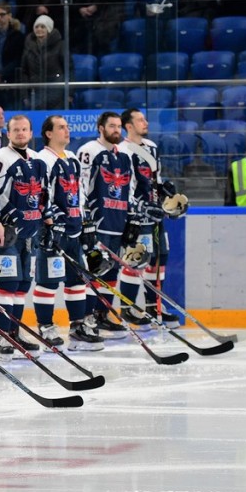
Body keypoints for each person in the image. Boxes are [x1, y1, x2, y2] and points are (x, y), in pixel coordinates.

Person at [31, 115, 105, 350]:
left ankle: (78, 326)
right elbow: (40, 195)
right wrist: (51, 223)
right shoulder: (42, 159)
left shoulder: (72, 159)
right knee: (48, 281)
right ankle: (46, 326)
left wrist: (85, 222)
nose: (67, 131)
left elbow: (79, 193)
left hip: (73, 230)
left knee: (77, 281)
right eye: (61, 127)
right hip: (54, 231)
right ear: (49, 133)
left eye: (67, 127)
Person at [0, 113, 45, 359]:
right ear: (8, 133)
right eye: (15, 130)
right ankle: (2, 335)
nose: (20, 133)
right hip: (5, 233)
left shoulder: (37, 160)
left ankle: (14, 333)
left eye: (24, 129)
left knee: (21, 286)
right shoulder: (1, 159)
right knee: (6, 285)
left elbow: (40, 197)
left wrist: (45, 223)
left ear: (30, 132)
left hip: (30, 233)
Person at [119, 107, 179, 326]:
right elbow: (125, 184)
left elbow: (155, 178)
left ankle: (154, 307)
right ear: (129, 126)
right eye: (140, 120)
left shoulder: (152, 148)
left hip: (155, 213)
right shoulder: (123, 150)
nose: (146, 123)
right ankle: (127, 307)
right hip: (136, 215)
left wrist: (165, 190)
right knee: (137, 259)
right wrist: (139, 207)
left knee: (159, 257)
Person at [77, 111, 134, 338]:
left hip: (117, 222)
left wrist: (131, 220)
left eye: (119, 126)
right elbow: (81, 188)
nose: (116, 130)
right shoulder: (89, 152)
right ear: (100, 127)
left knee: (111, 273)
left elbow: (126, 190)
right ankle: (88, 316)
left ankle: (103, 314)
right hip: (97, 225)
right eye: (111, 126)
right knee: (94, 272)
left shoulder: (123, 156)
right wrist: (86, 220)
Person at [20, 14, 65, 109]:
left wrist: (70, 93)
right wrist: (24, 95)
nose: (39, 29)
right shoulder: (28, 46)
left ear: (49, 29)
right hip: (35, 92)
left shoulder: (60, 45)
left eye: (42, 27)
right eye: (36, 26)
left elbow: (69, 69)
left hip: (56, 92)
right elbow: (24, 71)